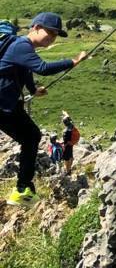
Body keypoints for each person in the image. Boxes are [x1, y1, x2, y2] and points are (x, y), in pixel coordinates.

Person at [0, 13, 87, 205]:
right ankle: (23, 190)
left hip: (7, 104)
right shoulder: (21, 45)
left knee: (31, 136)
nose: (52, 37)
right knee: (31, 137)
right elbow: (43, 68)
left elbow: (25, 70)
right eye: (49, 32)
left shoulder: (22, 47)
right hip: (3, 105)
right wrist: (72, 62)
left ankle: (24, 189)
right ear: (36, 27)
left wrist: (33, 89)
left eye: (55, 35)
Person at [61, 111, 79, 175]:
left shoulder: (66, 132)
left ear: (65, 123)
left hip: (67, 146)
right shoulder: (72, 126)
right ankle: (70, 169)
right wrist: (65, 113)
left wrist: (62, 146)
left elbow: (65, 142)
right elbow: (69, 118)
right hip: (71, 144)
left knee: (66, 159)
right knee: (70, 156)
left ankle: (68, 171)